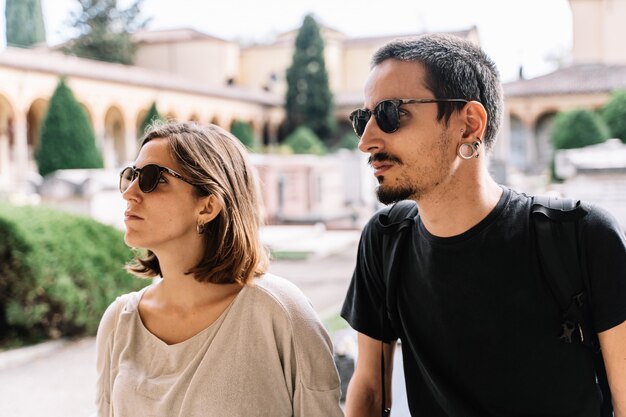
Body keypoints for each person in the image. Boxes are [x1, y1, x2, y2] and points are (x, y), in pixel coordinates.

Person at [341, 33, 626, 417]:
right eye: (363, 118)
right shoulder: (386, 239)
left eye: (391, 113)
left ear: (469, 124)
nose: (366, 140)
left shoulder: (580, 235)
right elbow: (370, 391)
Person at [96, 121, 343, 417]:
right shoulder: (119, 323)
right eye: (131, 175)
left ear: (207, 207)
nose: (129, 193)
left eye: (153, 179)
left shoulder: (281, 313)